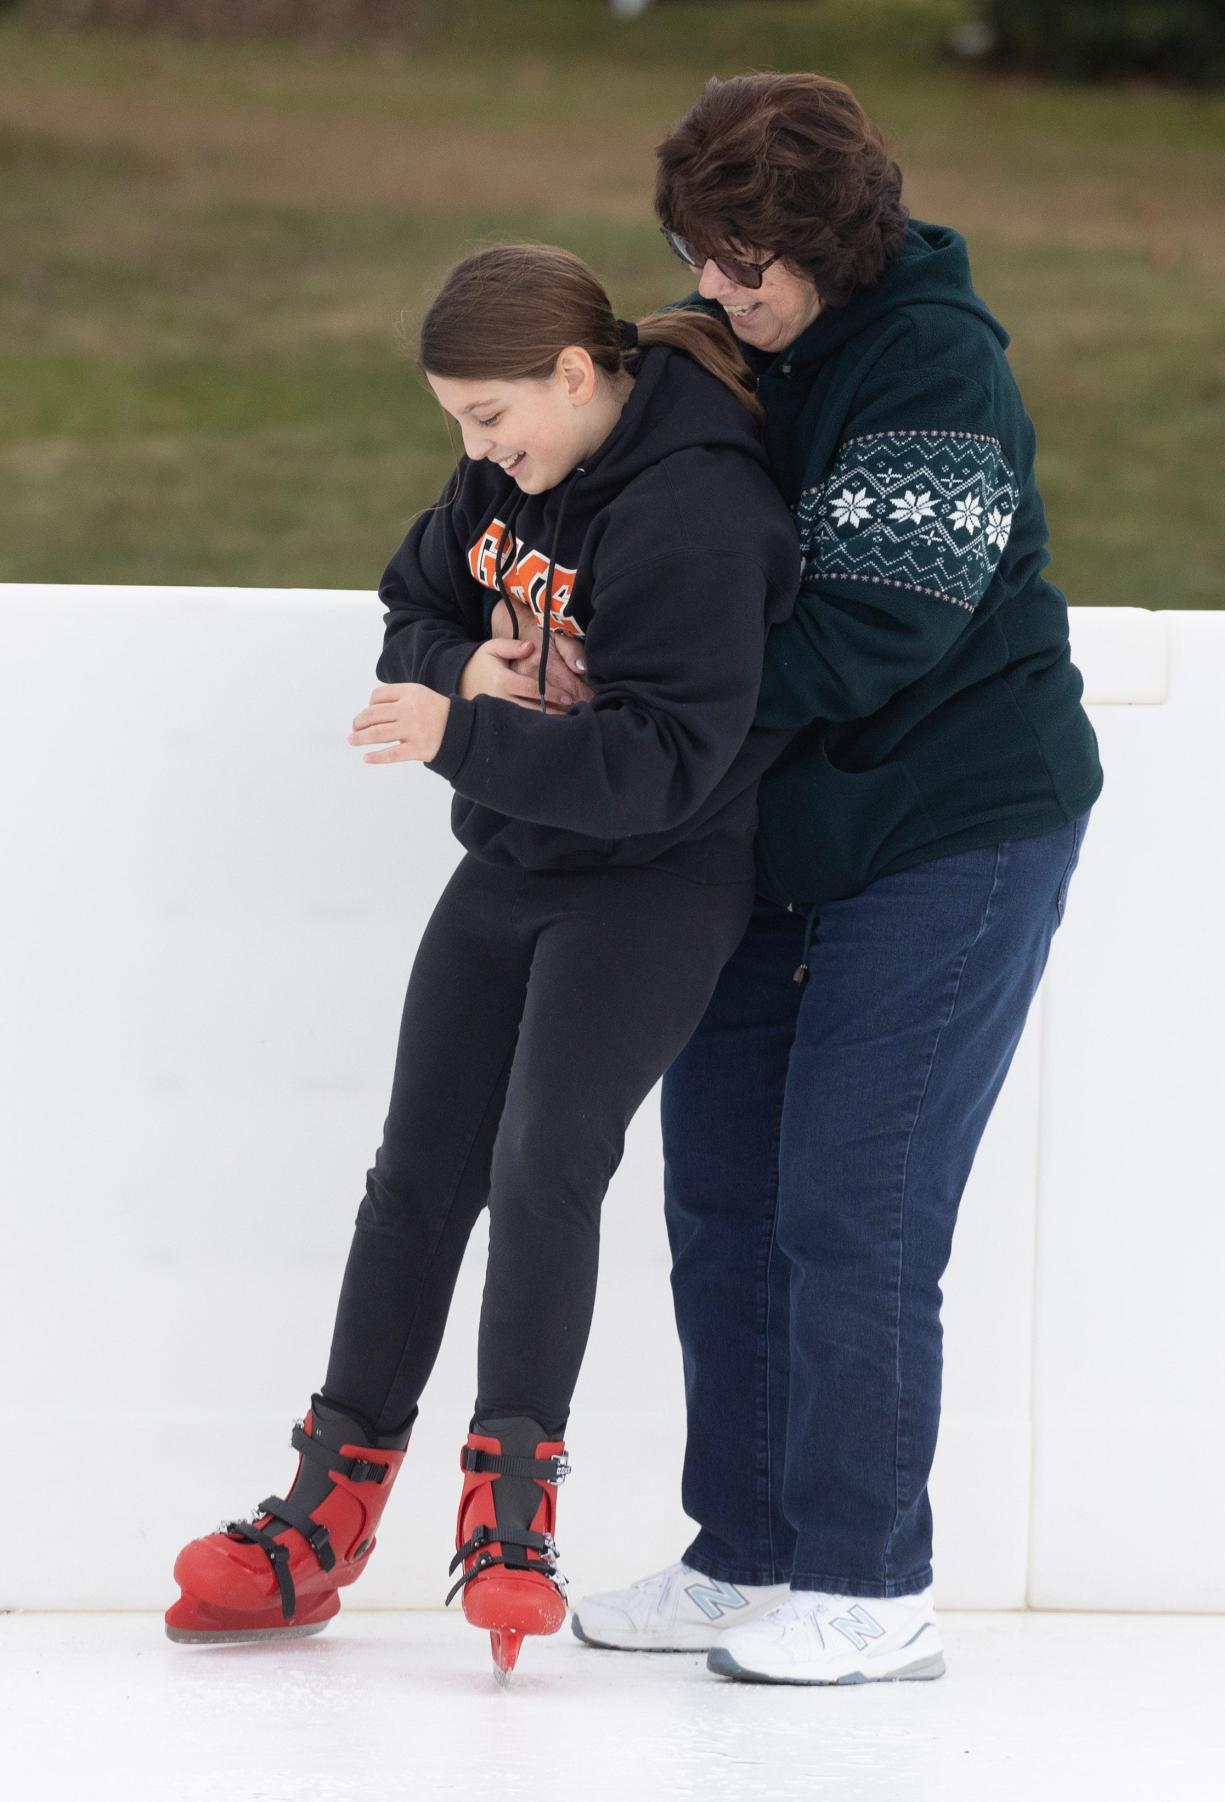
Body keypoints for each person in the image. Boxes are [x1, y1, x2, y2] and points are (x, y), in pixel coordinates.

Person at [163, 243, 802, 1678]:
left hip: (654, 883)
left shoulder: (701, 512)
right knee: (415, 1172)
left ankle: (510, 1516)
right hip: (512, 860)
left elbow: (666, 768)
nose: (477, 450)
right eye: (457, 422)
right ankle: (322, 1517)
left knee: (545, 1158)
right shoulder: (508, 482)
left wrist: (464, 735)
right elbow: (415, 594)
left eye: (488, 415)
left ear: (575, 376)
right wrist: (464, 672)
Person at [570, 72, 1104, 1686]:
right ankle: (745, 1553)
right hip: (768, 827)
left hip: (952, 823)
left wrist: (641, 701)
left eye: (750, 260)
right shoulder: (722, 345)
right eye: (695, 249)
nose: (716, 286)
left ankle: (870, 1580)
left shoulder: (932, 362)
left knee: (849, 1205)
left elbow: (873, 630)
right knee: (721, 1195)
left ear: (837, 240)